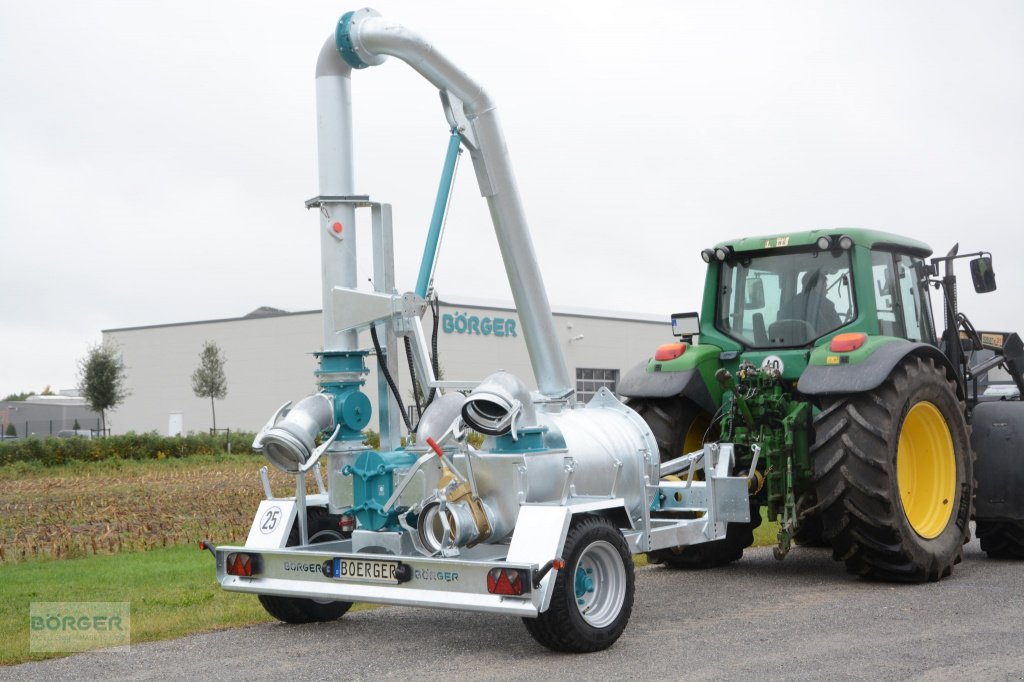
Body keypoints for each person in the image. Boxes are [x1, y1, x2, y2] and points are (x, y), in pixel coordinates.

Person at [777, 269, 841, 334]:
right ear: (814, 287)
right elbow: (839, 332)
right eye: (824, 287)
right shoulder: (827, 306)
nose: (827, 291)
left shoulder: (787, 307)